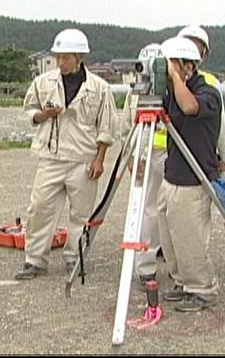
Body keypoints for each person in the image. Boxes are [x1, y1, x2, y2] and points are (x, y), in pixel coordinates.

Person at [15, 28, 119, 280]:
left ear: (79, 57)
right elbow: (29, 110)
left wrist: (100, 159)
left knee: (81, 214)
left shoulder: (100, 88)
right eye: (58, 57)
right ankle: (35, 260)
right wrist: (43, 115)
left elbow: (107, 126)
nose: (61, 62)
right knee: (39, 209)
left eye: (66, 57)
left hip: (83, 159)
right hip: (51, 157)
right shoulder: (43, 83)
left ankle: (76, 258)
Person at [156, 36, 222, 312]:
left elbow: (189, 107)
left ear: (188, 67)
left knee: (190, 236)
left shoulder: (207, 93)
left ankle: (202, 289)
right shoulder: (171, 93)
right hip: (172, 174)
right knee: (170, 235)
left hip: (194, 178)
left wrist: (175, 77)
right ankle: (182, 281)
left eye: (171, 65)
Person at [120, 43, 166, 289]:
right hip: (144, 158)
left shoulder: (171, 92)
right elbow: (126, 128)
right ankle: (144, 266)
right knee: (146, 212)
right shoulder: (134, 94)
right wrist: (130, 158)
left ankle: (169, 254)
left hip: (169, 157)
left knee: (168, 211)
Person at [178, 25, 225, 181]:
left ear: (204, 55)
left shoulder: (210, 83)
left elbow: (220, 124)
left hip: (196, 156)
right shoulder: (164, 80)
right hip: (159, 154)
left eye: (197, 48)